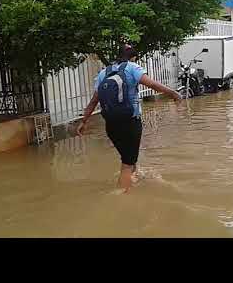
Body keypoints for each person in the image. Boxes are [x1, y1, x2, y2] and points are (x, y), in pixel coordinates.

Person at [77, 44, 181, 193]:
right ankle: (124, 195)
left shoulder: (103, 73)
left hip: (111, 126)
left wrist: (83, 121)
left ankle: (133, 178)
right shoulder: (132, 67)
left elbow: (94, 101)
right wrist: (173, 93)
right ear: (132, 57)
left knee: (128, 157)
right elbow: (153, 85)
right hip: (130, 123)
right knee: (127, 162)